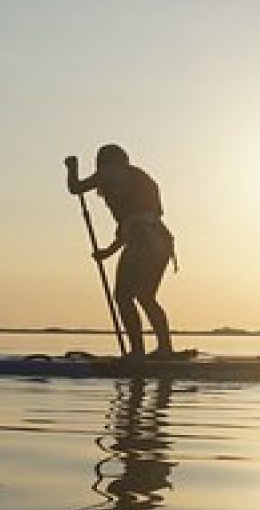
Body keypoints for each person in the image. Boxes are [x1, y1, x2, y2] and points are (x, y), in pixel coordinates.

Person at [65, 143, 177, 359]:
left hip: (143, 242)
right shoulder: (139, 177)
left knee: (123, 296)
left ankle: (137, 352)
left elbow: (76, 188)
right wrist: (108, 252)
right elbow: (135, 222)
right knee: (146, 296)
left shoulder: (110, 171)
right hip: (161, 243)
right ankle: (164, 349)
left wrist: (72, 167)